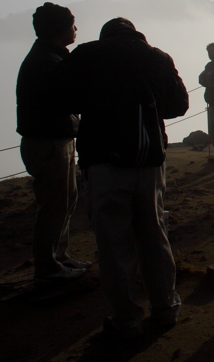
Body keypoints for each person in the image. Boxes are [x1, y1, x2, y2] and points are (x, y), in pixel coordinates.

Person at [59, 18, 189, 338]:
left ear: (106, 35)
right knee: (155, 236)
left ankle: (126, 319)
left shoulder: (87, 54)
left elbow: (60, 98)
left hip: (103, 164)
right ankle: (165, 308)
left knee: (114, 245)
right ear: (135, 34)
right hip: (149, 164)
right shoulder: (155, 56)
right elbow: (178, 104)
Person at [15, 3, 89, 284]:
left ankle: (59, 257)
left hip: (54, 141)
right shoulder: (47, 62)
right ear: (60, 29)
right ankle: (49, 267)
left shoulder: (48, 58)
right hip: (48, 144)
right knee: (54, 206)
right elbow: (66, 100)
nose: (75, 29)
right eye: (72, 25)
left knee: (65, 201)